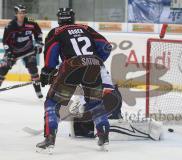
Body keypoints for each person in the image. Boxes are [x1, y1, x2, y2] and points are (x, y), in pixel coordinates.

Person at [36, 8, 115, 152]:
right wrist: (95, 60)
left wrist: (47, 71)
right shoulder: (86, 28)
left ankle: (49, 138)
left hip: (71, 67)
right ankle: (103, 136)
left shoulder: (56, 32)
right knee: (95, 102)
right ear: (72, 18)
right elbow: (106, 47)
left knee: (53, 102)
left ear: (59, 19)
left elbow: (51, 55)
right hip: (93, 66)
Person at [0, 4, 43, 98]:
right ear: (16, 13)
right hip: (13, 52)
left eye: (24, 12)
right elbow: (5, 41)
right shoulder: (10, 25)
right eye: (20, 13)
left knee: (33, 69)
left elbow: (38, 34)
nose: (22, 15)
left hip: (28, 51)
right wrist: (9, 53)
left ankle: (39, 93)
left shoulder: (31, 23)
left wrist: (39, 44)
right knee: (3, 69)